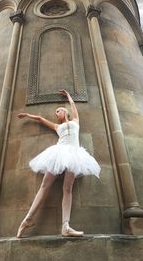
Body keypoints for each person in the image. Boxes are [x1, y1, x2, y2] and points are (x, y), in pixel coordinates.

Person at [16, 89, 101, 238]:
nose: (57, 114)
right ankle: (28, 219)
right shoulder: (57, 127)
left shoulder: (75, 122)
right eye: (56, 113)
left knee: (67, 189)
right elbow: (41, 119)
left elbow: (73, 107)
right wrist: (27, 115)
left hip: (75, 155)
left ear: (65, 112)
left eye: (59, 111)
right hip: (59, 153)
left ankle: (65, 226)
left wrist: (68, 96)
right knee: (45, 185)